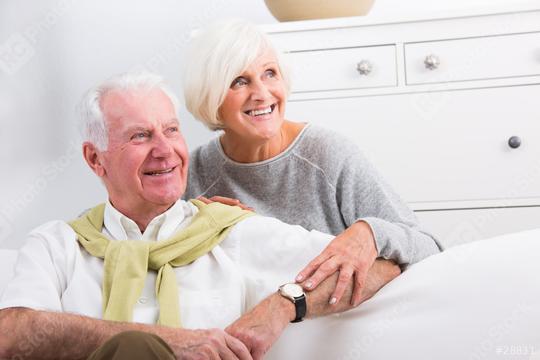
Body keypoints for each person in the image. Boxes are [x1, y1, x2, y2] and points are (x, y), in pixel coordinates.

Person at [0, 72, 400, 360]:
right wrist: (171, 341)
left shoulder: (233, 232)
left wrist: (282, 305)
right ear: (95, 159)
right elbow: (12, 333)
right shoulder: (56, 245)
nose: (164, 150)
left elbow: (383, 270)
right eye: (140, 136)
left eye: (172, 131)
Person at [183, 19, 443, 306]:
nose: (262, 93)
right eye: (239, 81)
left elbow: (429, 246)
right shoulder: (194, 171)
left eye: (270, 73)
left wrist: (369, 232)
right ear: (211, 96)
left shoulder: (328, 153)